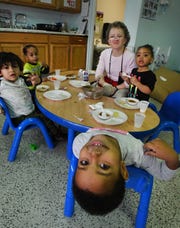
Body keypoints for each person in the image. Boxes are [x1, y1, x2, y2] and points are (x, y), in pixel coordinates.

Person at [72, 128, 180, 215]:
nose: (94, 155)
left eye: (84, 163)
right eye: (104, 166)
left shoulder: (79, 143)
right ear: (123, 169)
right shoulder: (137, 152)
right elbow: (163, 174)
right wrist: (172, 157)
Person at [0, 51, 62, 142]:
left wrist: (38, 80)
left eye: (14, 66)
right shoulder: (2, 84)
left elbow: (33, 81)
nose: (11, 70)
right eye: (6, 68)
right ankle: (57, 135)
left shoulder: (21, 79)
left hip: (29, 107)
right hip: (20, 116)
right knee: (44, 118)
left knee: (46, 108)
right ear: (0, 72)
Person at [95, 21, 137, 97]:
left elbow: (130, 81)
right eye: (112, 36)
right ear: (109, 41)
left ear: (125, 40)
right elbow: (98, 73)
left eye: (119, 36)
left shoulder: (131, 57)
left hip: (122, 87)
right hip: (106, 83)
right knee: (94, 93)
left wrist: (115, 88)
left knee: (117, 99)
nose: (115, 39)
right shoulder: (104, 53)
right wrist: (104, 84)